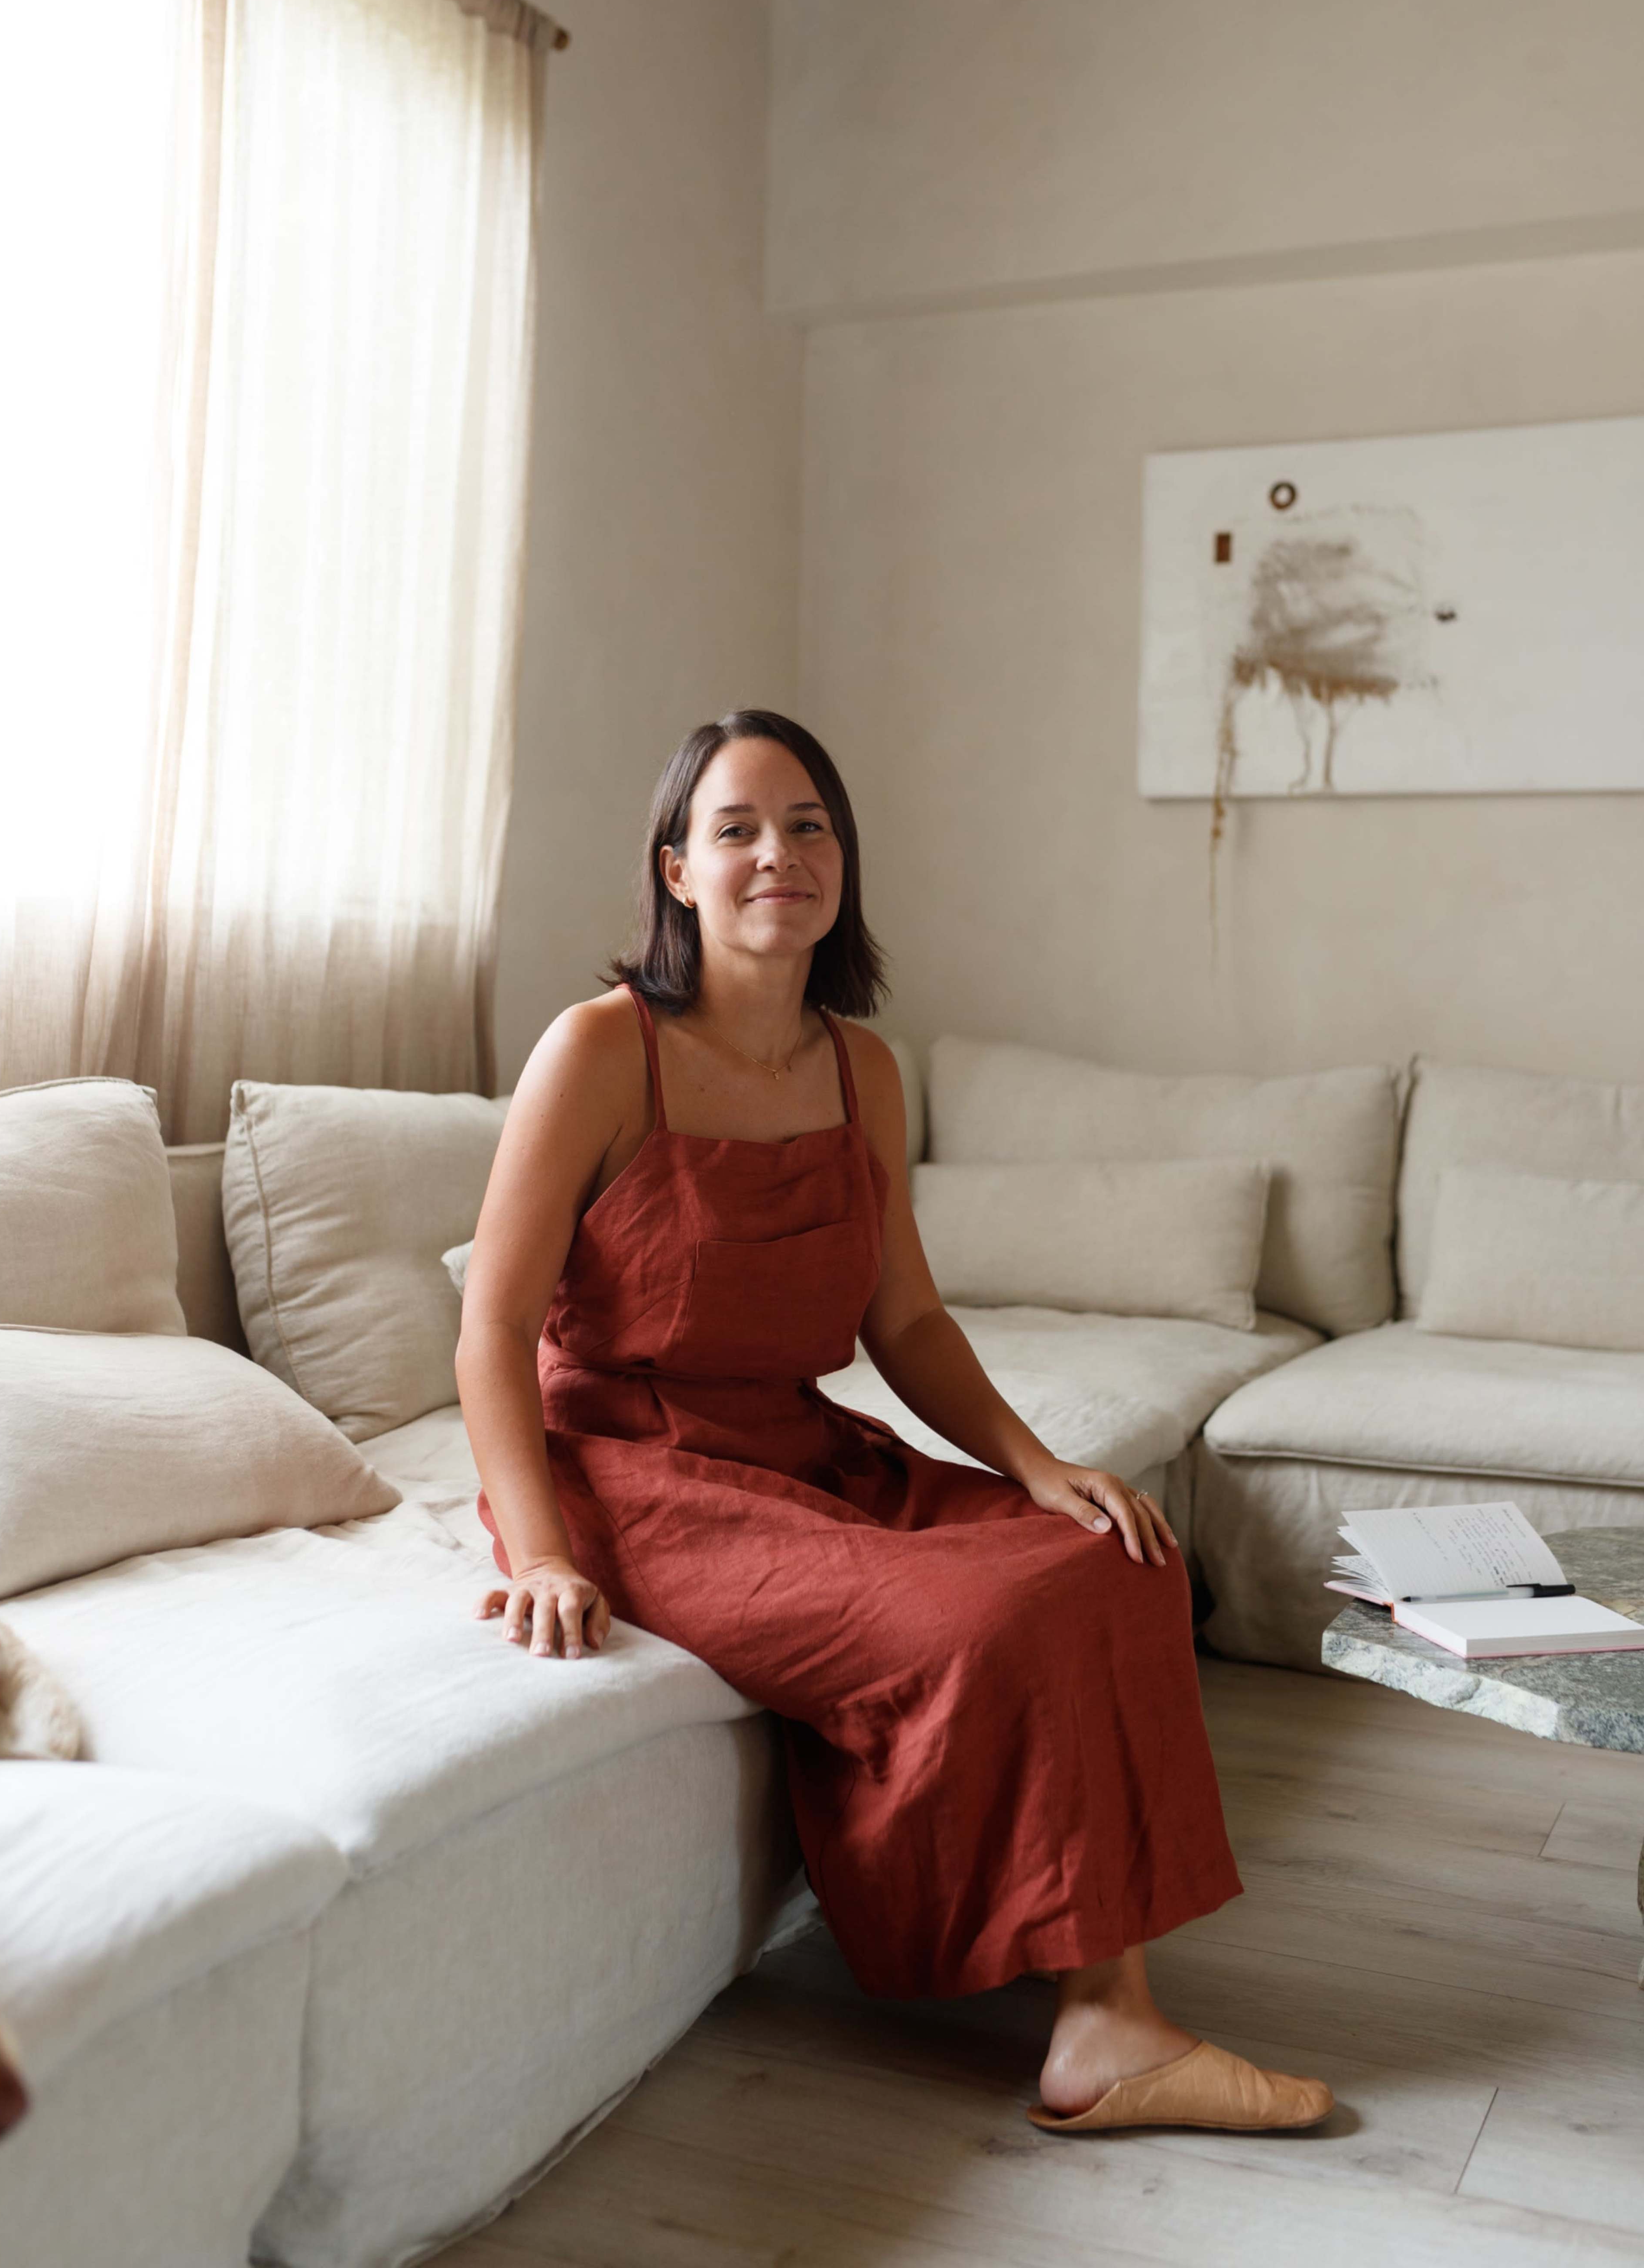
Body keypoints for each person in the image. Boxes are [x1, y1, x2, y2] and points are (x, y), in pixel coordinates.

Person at [457, 709, 1331, 2136]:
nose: (776, 854)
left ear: (843, 863)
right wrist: (546, 1555)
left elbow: (905, 1320)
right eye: (734, 828)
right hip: (635, 1469)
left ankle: (1108, 2012)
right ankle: (1105, 2024)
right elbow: (491, 1330)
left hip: (800, 1446)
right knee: (981, 1622)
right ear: (675, 870)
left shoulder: (864, 1068)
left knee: (1122, 1555)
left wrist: (1043, 1468)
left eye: (808, 825)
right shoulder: (602, 1049)